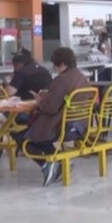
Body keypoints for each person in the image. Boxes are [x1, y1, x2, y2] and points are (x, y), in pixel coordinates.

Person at [25, 47, 92, 186]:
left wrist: (39, 101)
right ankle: (57, 164)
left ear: (62, 64)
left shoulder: (61, 80)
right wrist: (47, 96)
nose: (54, 68)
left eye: (55, 65)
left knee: (25, 139)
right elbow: (62, 98)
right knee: (35, 136)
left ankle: (50, 165)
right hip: (79, 124)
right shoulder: (81, 77)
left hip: (63, 126)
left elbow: (51, 107)